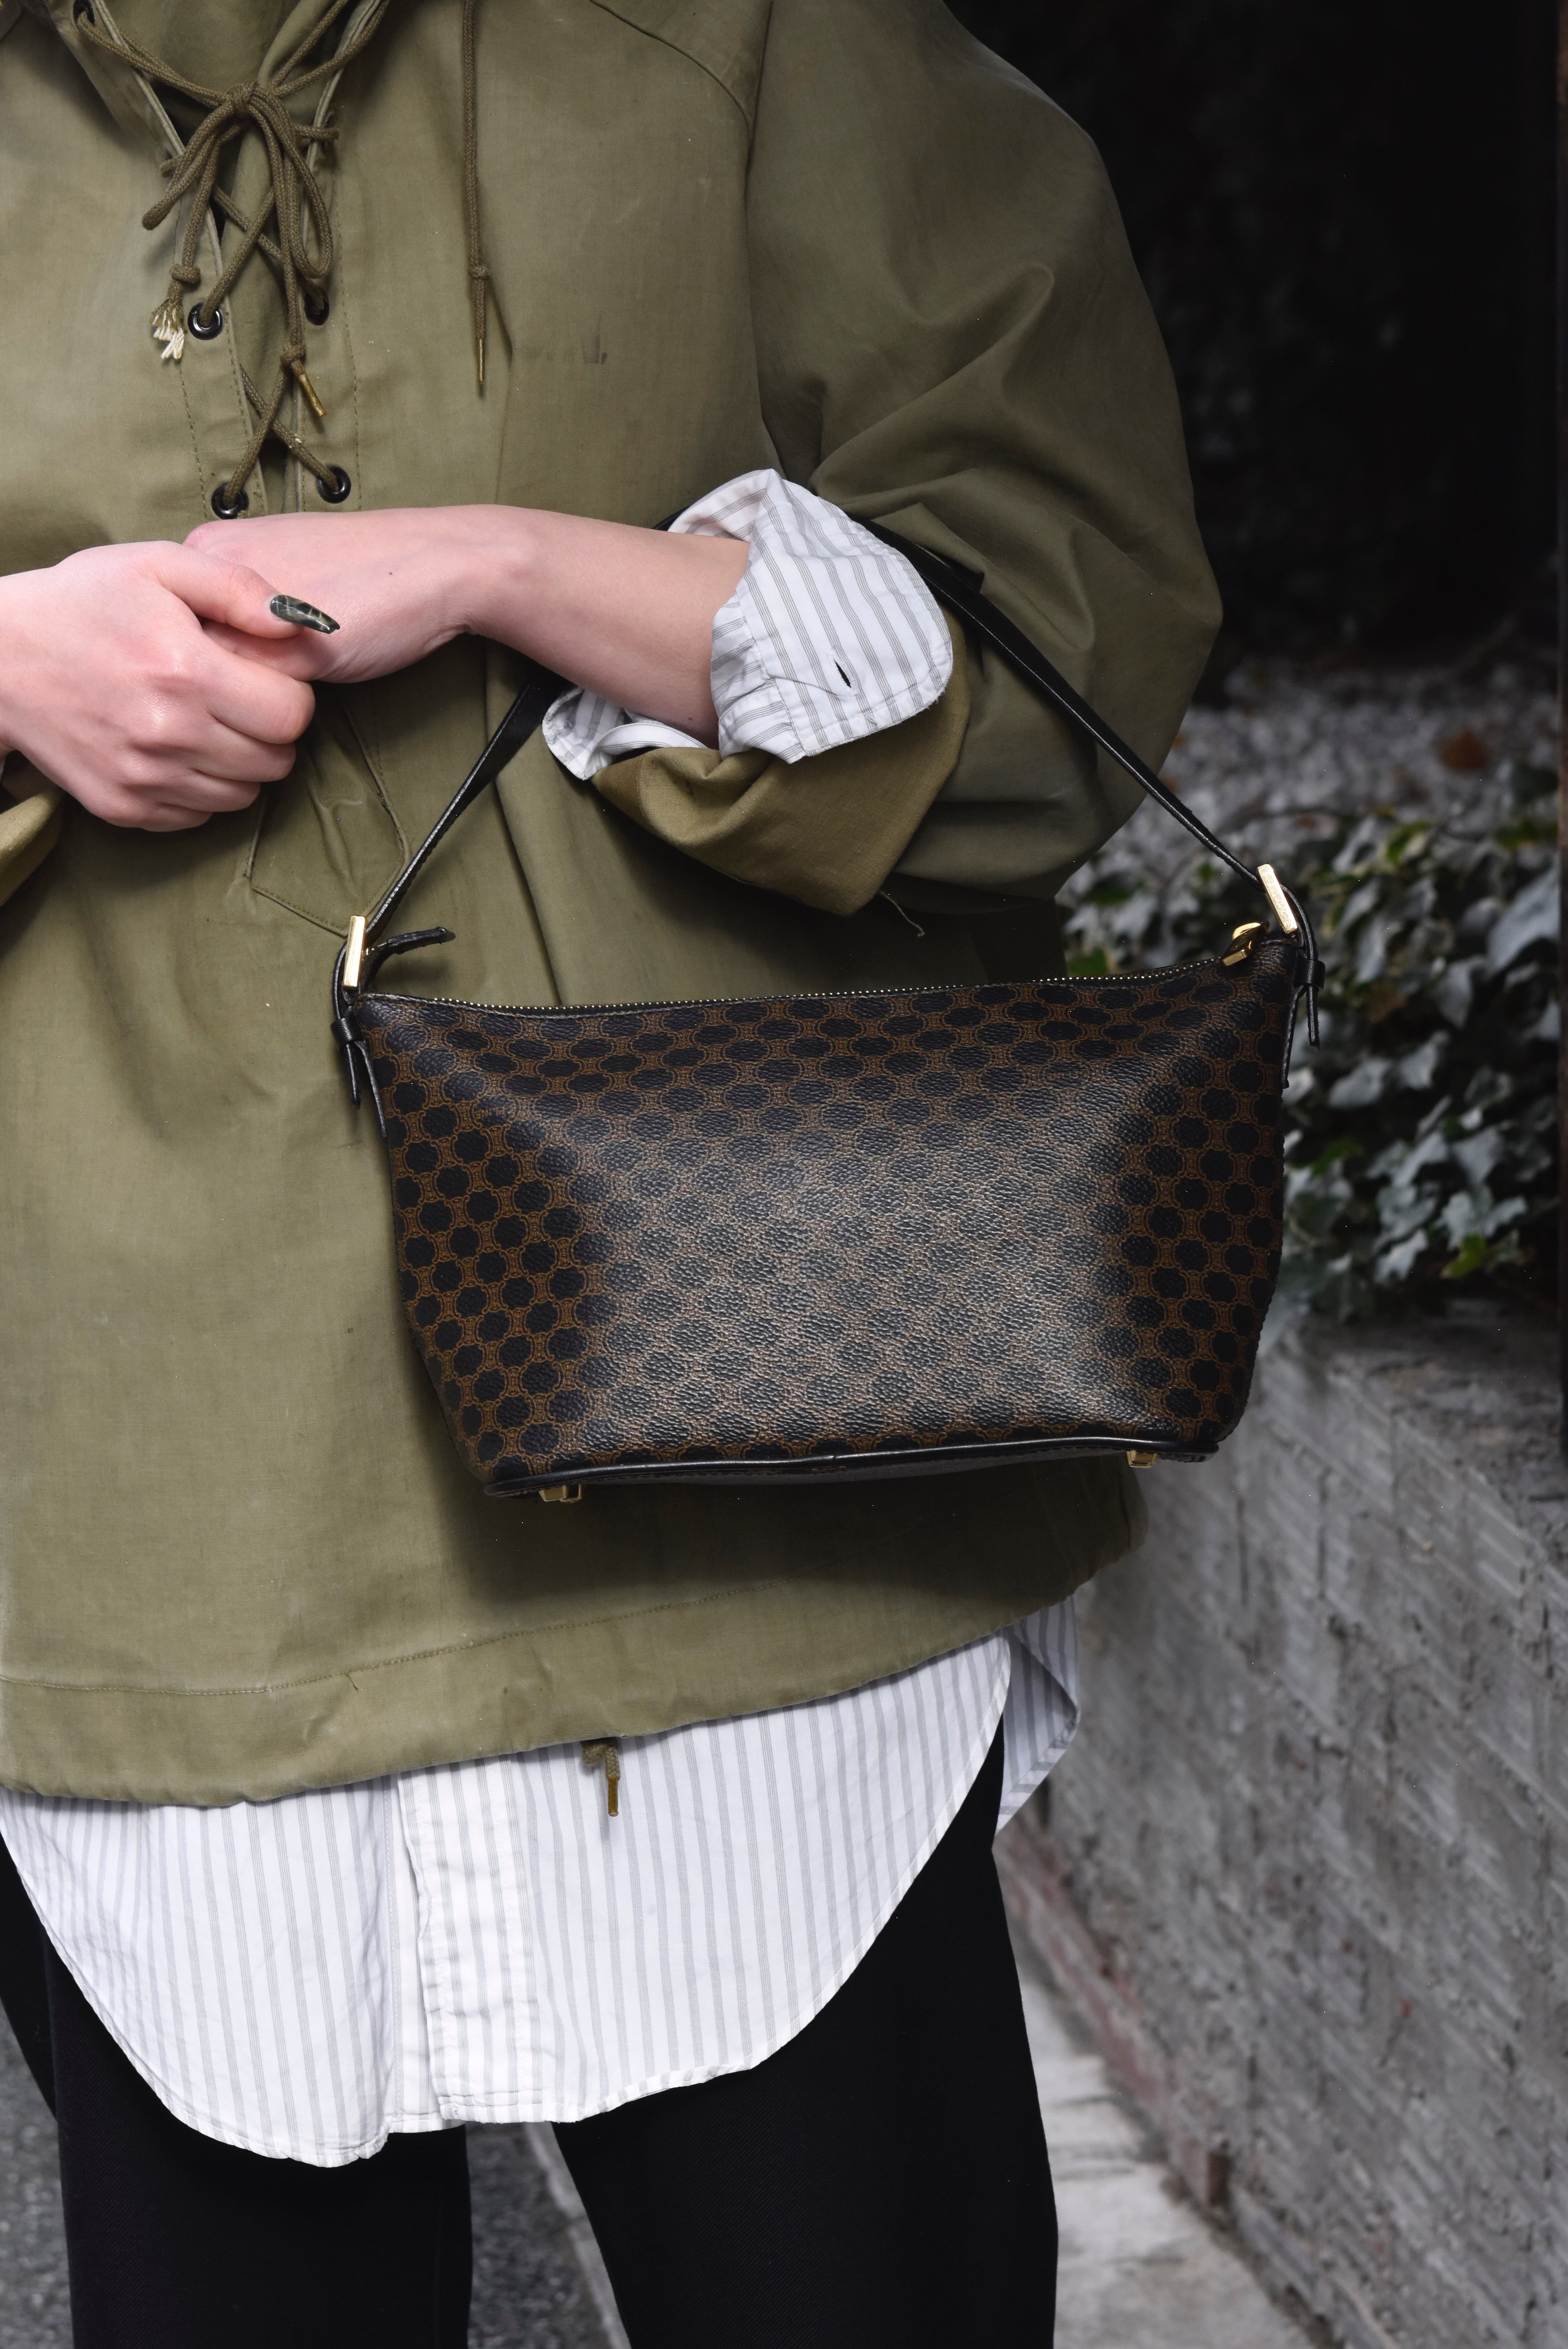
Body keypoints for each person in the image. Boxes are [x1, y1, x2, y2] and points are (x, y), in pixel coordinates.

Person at [0, 0, 1219, 2341]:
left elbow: (1066, 619)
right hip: (133, 1516)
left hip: (753, 1461)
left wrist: (510, 565)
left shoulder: (742, 26)